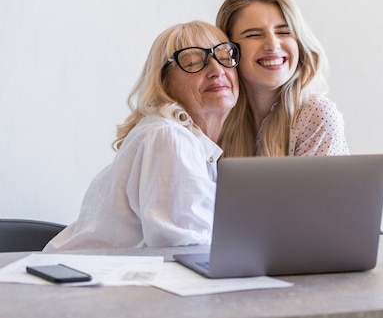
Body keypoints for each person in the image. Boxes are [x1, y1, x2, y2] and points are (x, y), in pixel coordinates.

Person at [45, 21, 240, 250]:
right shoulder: (171, 138)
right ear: (164, 83)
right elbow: (182, 247)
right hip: (79, 281)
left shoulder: (185, 142)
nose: (217, 70)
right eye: (194, 63)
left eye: (224, 57)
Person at [216, 0, 349, 157]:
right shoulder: (217, 115)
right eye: (253, 35)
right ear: (229, 50)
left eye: (284, 32)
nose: (272, 45)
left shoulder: (316, 115)